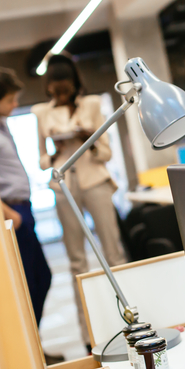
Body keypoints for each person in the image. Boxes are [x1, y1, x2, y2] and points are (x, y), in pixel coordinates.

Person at [32, 54, 127, 346]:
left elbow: (106, 154)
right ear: (48, 87)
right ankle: (90, 336)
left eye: (65, 88)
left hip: (95, 181)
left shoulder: (93, 104)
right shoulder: (41, 112)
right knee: (77, 263)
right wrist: (55, 149)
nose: (61, 94)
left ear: (74, 84)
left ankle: (129, 321)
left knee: (114, 254)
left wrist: (90, 138)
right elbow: (42, 161)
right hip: (64, 186)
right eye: (55, 89)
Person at [0, 66, 52, 325]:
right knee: (30, 282)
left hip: (22, 210)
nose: (15, 104)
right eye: (10, 100)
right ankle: (31, 351)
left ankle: (35, 346)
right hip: (11, 212)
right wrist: (8, 214)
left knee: (40, 278)